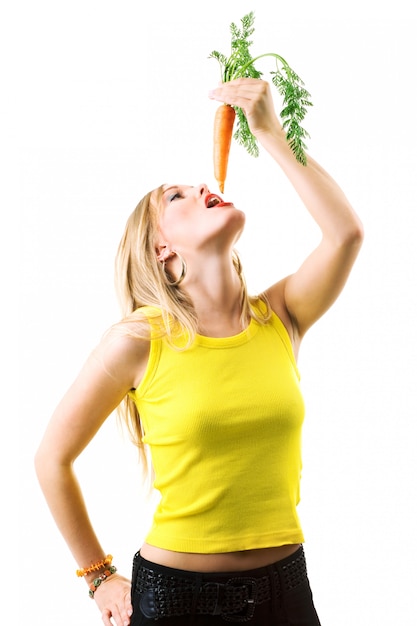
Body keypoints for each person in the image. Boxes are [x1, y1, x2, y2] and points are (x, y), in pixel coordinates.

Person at [35, 78, 364, 626]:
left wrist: (272, 134)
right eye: (176, 196)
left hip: (286, 591)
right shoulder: (138, 340)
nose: (201, 189)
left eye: (198, 185)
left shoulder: (280, 315)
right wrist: (97, 577)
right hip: (173, 601)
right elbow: (52, 459)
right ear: (161, 248)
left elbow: (346, 234)